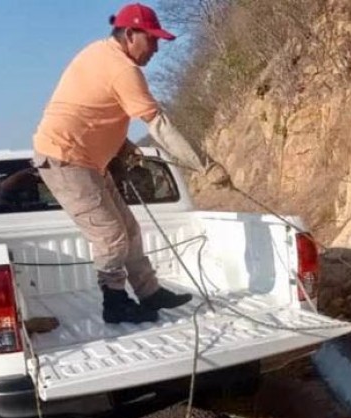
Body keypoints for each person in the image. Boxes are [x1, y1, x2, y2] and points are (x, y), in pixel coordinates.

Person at [33, 3, 229, 324]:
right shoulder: (124, 70)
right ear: (129, 34)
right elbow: (160, 126)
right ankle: (115, 303)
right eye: (151, 39)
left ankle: (149, 292)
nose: (155, 48)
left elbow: (87, 108)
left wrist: (119, 145)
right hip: (65, 159)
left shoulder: (98, 52)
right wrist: (206, 165)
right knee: (111, 236)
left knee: (128, 228)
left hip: (86, 159)